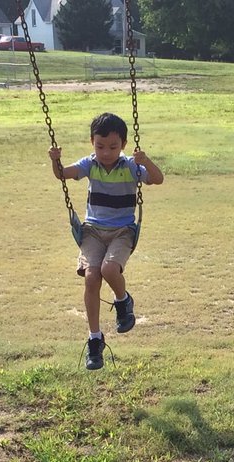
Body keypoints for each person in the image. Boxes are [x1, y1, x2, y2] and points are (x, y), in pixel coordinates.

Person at [50, 112, 164, 370]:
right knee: (92, 277)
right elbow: (63, 174)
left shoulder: (131, 167)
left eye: (113, 147)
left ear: (123, 145)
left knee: (109, 269)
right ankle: (95, 339)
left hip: (122, 231)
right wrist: (56, 161)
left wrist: (145, 161)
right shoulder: (90, 164)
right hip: (92, 231)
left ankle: (123, 301)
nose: (106, 152)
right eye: (100, 146)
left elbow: (157, 179)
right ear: (92, 142)